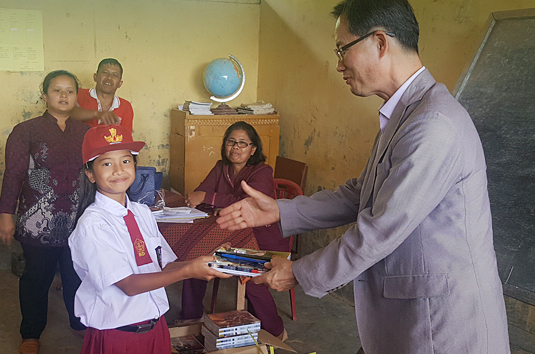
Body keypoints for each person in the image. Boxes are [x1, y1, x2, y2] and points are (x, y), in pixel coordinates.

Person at [216, 1, 511, 353]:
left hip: (440, 324)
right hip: (409, 315)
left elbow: (381, 228)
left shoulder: (433, 125)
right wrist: (282, 211)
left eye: (342, 49)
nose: (339, 64)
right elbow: (361, 194)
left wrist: (299, 271)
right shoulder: (405, 114)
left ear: (380, 43)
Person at [68, 124, 231, 354]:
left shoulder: (142, 212)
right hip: (119, 336)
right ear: (90, 174)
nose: (118, 170)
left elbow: (164, 265)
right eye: (107, 163)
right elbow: (129, 285)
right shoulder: (94, 225)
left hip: (156, 327)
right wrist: (188, 272)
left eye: (126, 161)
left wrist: (206, 261)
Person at [0, 70, 90, 354]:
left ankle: (80, 323)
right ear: (44, 96)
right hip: (37, 221)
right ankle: (30, 333)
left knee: (77, 276)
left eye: (69, 91)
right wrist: (6, 215)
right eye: (56, 90)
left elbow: (97, 171)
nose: (64, 96)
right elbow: (13, 175)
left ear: (76, 97)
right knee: (36, 279)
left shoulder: (86, 133)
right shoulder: (25, 130)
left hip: (78, 219)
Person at [182, 121, 288, 340]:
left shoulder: (262, 171)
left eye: (243, 143)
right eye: (231, 142)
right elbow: (199, 193)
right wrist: (206, 199)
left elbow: (250, 204)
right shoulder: (221, 167)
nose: (236, 148)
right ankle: (190, 317)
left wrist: (209, 198)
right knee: (196, 260)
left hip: (262, 241)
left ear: (253, 149)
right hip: (229, 236)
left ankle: (277, 331)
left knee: (251, 278)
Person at [71, 58, 133, 130]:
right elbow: (68, 113)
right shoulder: (79, 94)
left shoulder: (126, 107)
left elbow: (125, 137)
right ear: (95, 77)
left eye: (115, 75)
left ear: (120, 83)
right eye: (105, 72)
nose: (109, 77)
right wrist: (97, 114)